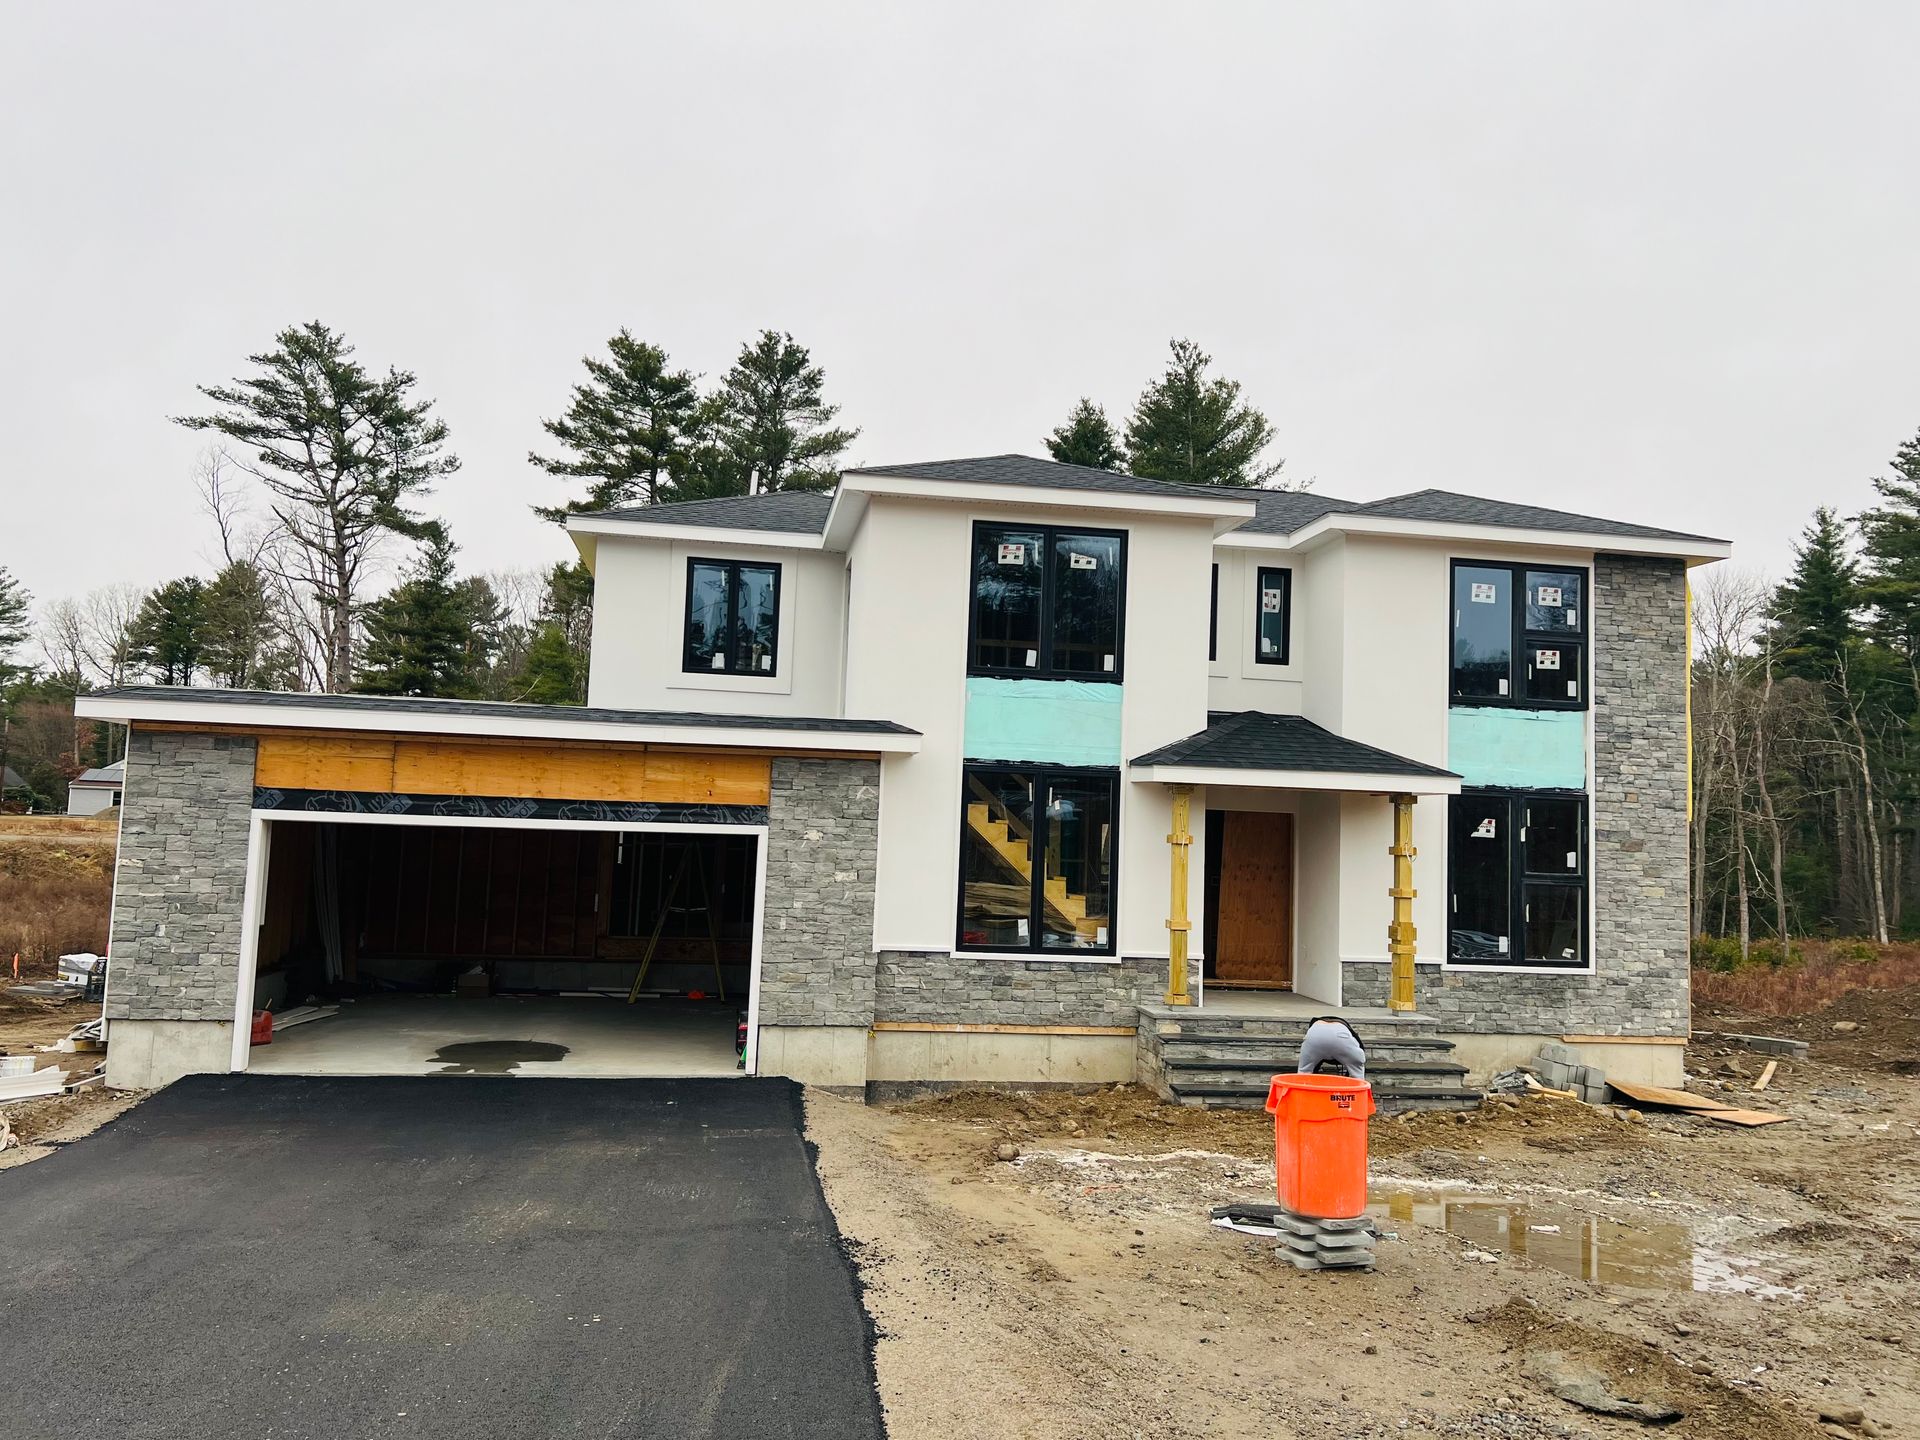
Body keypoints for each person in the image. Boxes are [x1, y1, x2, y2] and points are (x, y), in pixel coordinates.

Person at [1296, 1016, 1365, 1079]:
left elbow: (1314, 1062)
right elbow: (1360, 1047)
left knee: (1303, 1073)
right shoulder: (1345, 1027)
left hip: (1315, 1035)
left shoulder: (1314, 1026)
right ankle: (1359, 1089)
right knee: (1357, 1074)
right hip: (1341, 1037)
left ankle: (1302, 1089)